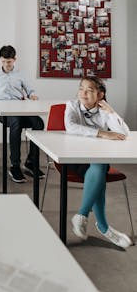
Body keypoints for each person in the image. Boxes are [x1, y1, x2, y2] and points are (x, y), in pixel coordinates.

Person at [67, 76, 132, 248]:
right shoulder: (72, 105)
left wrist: (112, 112)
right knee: (100, 170)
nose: (83, 93)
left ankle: (82, 215)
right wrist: (102, 133)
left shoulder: (104, 110)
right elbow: (71, 127)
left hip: (97, 159)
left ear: (100, 94)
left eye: (89, 90)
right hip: (74, 157)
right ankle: (103, 227)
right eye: (81, 88)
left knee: (99, 164)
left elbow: (125, 133)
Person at [0, 45, 45, 183]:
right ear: (1, 60)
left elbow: (30, 90)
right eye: (4, 61)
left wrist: (33, 95)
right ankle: (15, 165)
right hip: (3, 113)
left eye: (9, 62)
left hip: (20, 109)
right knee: (16, 123)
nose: (7, 64)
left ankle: (31, 162)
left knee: (38, 123)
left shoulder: (20, 74)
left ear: (15, 60)